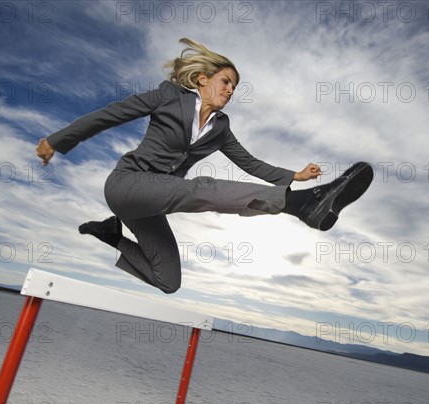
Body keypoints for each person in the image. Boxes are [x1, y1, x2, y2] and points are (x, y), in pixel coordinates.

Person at [35, 38, 373, 294]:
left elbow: (249, 162)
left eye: (235, 87)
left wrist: (294, 175)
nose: (230, 90)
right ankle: (301, 203)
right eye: (225, 82)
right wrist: (57, 140)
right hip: (126, 184)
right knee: (201, 188)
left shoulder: (221, 128)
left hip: (148, 207)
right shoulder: (167, 97)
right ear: (201, 79)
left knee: (168, 280)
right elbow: (109, 114)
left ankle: (110, 234)